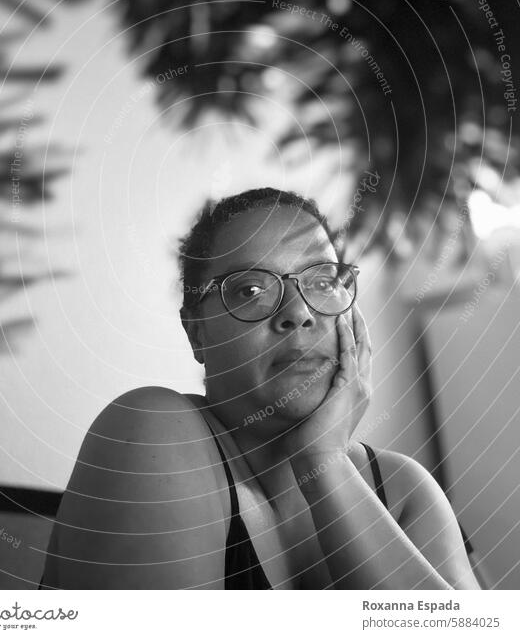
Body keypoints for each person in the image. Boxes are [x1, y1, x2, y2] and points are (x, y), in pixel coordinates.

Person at [39, 187, 480, 589]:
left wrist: (324, 465)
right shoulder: (152, 430)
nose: (298, 313)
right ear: (197, 334)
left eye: (322, 281)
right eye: (251, 288)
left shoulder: (403, 488)